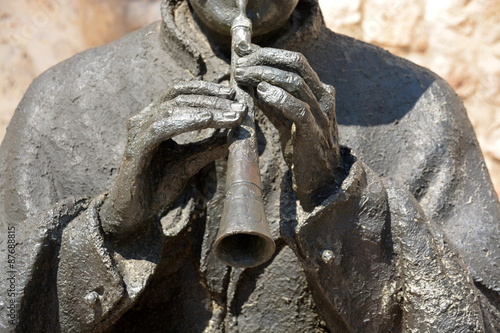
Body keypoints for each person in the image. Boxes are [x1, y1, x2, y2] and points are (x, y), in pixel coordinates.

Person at [1, 0, 499, 331]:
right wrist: (111, 231)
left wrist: (341, 199)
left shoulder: (418, 104)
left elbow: (475, 318)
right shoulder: (62, 102)